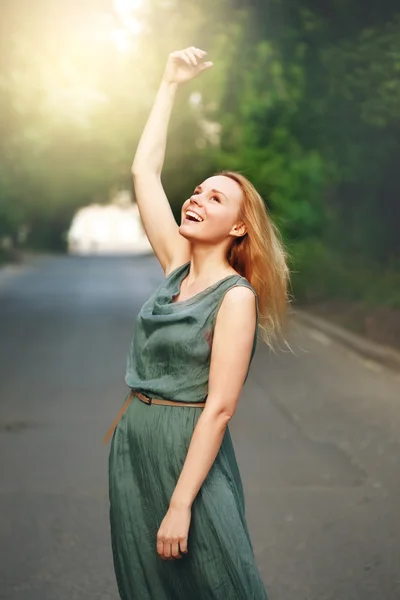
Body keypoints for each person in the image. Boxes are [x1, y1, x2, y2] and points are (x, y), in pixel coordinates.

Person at [105, 46, 290, 600]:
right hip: (134, 445)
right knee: (148, 588)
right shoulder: (174, 266)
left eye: (216, 198)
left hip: (190, 452)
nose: (196, 199)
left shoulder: (235, 299)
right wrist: (169, 85)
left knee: (220, 581)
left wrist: (182, 503)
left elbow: (220, 408)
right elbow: (145, 170)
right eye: (197, 190)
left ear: (239, 228)